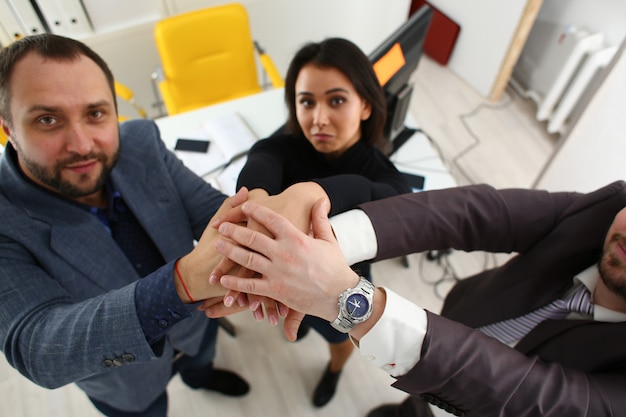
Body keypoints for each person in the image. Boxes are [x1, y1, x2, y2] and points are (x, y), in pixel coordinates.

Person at [0, 33, 325, 417]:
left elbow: (212, 213)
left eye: (96, 114)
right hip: (127, 381)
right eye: (48, 119)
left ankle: (200, 376)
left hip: (195, 328)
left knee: (199, 363)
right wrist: (181, 285)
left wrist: (281, 220)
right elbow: (39, 348)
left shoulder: (140, 142)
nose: (82, 144)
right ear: (8, 128)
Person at [207, 181, 626, 417]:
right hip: (426, 387)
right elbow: (469, 211)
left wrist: (349, 300)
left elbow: (533, 398)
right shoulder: (603, 212)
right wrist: (316, 248)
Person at [234, 37, 411, 407]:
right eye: (306, 102)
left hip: (339, 287)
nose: (318, 119)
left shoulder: (386, 177)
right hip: (284, 279)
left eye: (336, 100)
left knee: (338, 339)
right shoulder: (286, 145)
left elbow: (391, 198)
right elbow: (262, 157)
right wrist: (257, 198)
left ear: (365, 104)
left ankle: (334, 369)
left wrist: (312, 192)